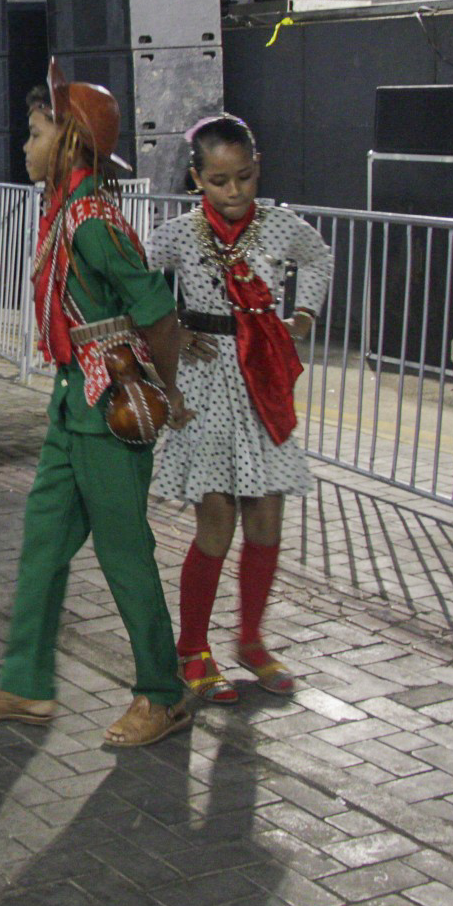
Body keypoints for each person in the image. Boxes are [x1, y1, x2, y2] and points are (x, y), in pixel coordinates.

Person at [0, 61, 193, 748]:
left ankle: (163, 693)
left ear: (69, 142)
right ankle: (27, 684)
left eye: (35, 133)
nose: (24, 147)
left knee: (126, 557)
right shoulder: (63, 210)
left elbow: (157, 312)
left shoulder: (90, 221)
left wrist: (169, 392)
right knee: (42, 545)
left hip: (110, 413)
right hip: (72, 410)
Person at [149, 115, 332, 707]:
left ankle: (251, 639)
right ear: (197, 179)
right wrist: (170, 330)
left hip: (262, 385)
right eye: (220, 181)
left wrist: (304, 313)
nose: (234, 192)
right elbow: (137, 282)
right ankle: (192, 648)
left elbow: (320, 256)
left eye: (245, 177)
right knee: (216, 523)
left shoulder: (280, 227)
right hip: (204, 390)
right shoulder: (177, 234)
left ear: (258, 169)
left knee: (267, 521)